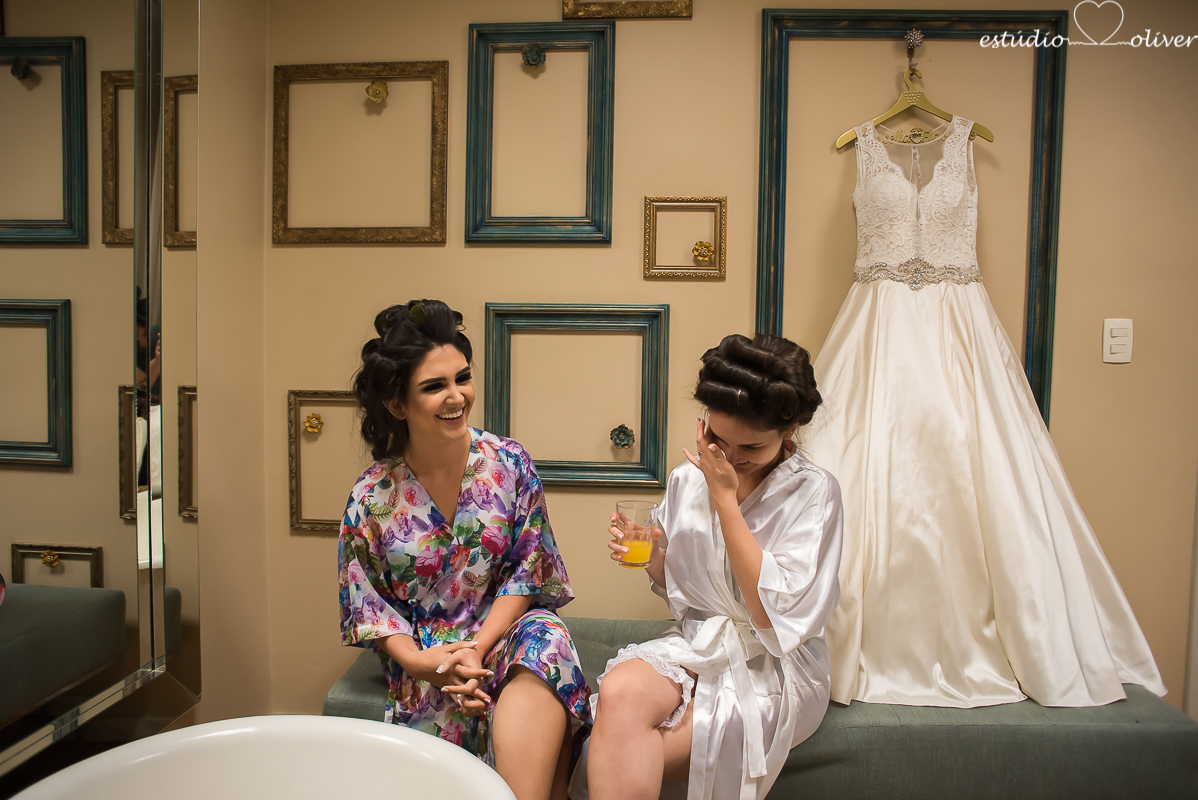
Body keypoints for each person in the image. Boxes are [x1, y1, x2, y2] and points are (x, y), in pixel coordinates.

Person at [807, 114, 1164, 707]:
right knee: (850, 462)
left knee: (982, 464)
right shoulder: (862, 145)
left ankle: (1010, 640)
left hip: (961, 327)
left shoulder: (967, 141)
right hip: (875, 328)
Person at [338, 300, 591, 800]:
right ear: (396, 404)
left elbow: (528, 572)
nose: (457, 396)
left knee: (546, 641)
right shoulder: (371, 497)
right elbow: (372, 610)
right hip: (429, 652)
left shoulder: (509, 464)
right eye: (434, 386)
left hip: (507, 631)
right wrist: (423, 665)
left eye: (463, 378)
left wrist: (478, 648)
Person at [576, 333, 843, 800]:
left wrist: (724, 499)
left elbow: (770, 618)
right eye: (718, 440)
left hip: (776, 663)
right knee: (619, 691)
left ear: (790, 431)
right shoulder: (686, 478)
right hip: (698, 640)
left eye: (751, 447)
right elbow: (684, 586)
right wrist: (651, 556)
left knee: (618, 748)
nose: (732, 458)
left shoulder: (815, 493)